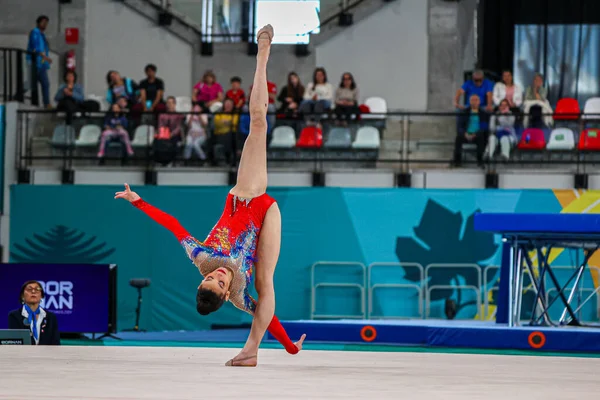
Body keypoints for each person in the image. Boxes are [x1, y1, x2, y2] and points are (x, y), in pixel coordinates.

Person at [115, 25, 305, 366]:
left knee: (258, 123)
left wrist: (137, 202)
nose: (215, 275)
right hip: (267, 215)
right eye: (217, 283)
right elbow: (268, 317)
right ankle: (254, 351)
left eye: (208, 279)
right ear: (225, 294)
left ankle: (263, 54)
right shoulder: (238, 295)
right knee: (265, 289)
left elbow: (172, 225)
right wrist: (290, 345)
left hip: (246, 196)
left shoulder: (201, 256)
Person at [7, 280, 60, 345]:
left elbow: (56, 343)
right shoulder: (14, 316)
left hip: (46, 354)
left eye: (37, 289)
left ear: (41, 296)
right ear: (22, 296)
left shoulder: (51, 317)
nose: (33, 291)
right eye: (29, 289)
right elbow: (14, 342)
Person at [453, 94, 490, 167]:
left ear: (479, 102)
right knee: (458, 138)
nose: (474, 102)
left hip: (477, 134)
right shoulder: (464, 112)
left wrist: (475, 134)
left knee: (482, 137)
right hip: (466, 134)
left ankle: (480, 161)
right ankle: (457, 162)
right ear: (470, 102)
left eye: (476, 100)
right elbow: (460, 126)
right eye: (472, 100)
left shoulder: (483, 113)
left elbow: (484, 127)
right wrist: (465, 133)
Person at [27, 15, 52, 108]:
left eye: (46, 22)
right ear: (38, 23)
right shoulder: (35, 32)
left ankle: (46, 103)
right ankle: (46, 103)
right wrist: (45, 57)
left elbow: (44, 48)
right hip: (34, 62)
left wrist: (46, 59)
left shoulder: (42, 35)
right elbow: (36, 47)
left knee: (44, 83)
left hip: (41, 64)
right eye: (43, 22)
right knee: (30, 83)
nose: (45, 24)